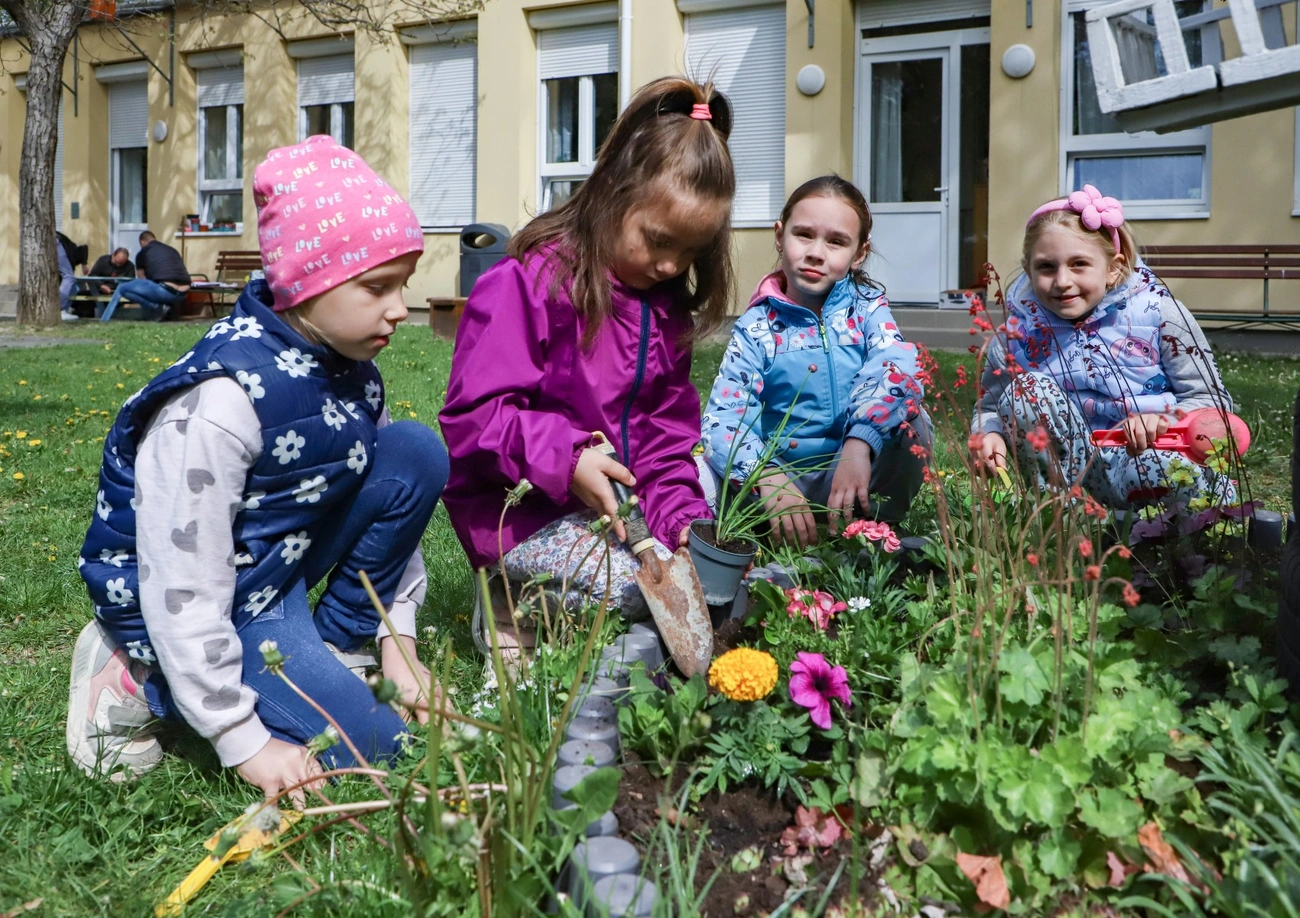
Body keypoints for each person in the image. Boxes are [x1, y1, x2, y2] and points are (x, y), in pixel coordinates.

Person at [68, 135, 447, 805]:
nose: (399, 308)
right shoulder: (219, 405)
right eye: (378, 286)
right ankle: (131, 673)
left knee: (414, 452)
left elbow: (382, 481)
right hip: (208, 600)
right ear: (309, 282)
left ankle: (340, 643)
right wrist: (243, 738)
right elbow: (184, 581)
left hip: (278, 565)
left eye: (403, 286)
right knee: (387, 748)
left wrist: (400, 641)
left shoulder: (351, 369)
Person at [438, 77, 735, 649]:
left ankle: (563, 596)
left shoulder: (660, 306)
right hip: (523, 512)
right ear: (613, 193)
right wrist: (567, 458)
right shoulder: (529, 283)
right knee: (636, 594)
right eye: (658, 240)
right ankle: (505, 598)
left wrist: (679, 526)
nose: (673, 266)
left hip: (615, 509)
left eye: (690, 252)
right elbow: (473, 421)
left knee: (697, 555)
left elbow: (665, 442)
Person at [969, 184, 1235, 509]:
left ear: (1112, 268)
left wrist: (1166, 422)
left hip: (1151, 458)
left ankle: (1173, 535)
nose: (1062, 280)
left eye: (1079, 263)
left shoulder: (1161, 316)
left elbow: (1212, 402)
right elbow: (990, 408)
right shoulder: (1015, 338)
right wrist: (990, 434)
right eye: (1046, 267)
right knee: (1025, 391)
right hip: (1077, 477)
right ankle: (1064, 522)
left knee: (1164, 472)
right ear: (1029, 271)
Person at [699, 175, 929, 547]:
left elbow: (895, 367)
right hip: (776, 484)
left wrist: (860, 442)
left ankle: (879, 527)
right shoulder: (757, 327)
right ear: (779, 235)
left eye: (836, 241)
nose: (816, 252)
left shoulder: (867, 309)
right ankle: (752, 534)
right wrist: (765, 475)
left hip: (856, 472)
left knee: (911, 421)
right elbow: (726, 415)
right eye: (803, 234)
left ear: (859, 254)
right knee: (695, 477)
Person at [101, 231, 190, 321]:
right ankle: (166, 311)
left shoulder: (142, 253)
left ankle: (157, 307)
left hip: (164, 291)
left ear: (142, 242)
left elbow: (142, 279)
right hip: (184, 293)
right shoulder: (172, 250)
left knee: (122, 289)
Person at [56, 231, 88, 322]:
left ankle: (63, 310)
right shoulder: (74, 252)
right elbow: (84, 248)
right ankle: (60, 310)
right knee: (69, 277)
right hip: (56, 242)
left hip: (50, 240)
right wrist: (84, 265)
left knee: (72, 285)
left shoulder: (69, 255)